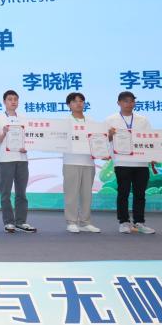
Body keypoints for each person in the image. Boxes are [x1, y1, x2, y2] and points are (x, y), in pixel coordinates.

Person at [104, 91, 155, 234]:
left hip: (141, 162)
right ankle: (124, 222)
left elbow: (150, 140)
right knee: (123, 193)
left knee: (140, 194)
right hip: (122, 162)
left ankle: (139, 222)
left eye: (132, 101)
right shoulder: (110, 120)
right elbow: (103, 140)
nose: (129, 103)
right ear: (119, 103)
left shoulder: (143, 120)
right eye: (125, 101)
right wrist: (109, 135)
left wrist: (153, 156)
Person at [0, 89, 35, 233]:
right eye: (10, 99)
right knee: (5, 193)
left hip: (22, 159)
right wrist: (4, 133)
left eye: (15, 99)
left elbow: (30, 139)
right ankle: (9, 222)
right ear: (4, 102)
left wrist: (27, 147)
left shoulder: (24, 118)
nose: (13, 102)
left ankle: (21, 222)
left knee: (21, 193)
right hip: (5, 160)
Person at [62, 92, 100, 234]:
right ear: (69, 105)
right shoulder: (65, 122)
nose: (78, 104)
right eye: (75, 101)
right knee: (71, 194)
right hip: (71, 162)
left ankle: (85, 222)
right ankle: (71, 222)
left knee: (86, 195)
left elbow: (98, 140)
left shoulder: (91, 121)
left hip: (88, 162)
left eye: (81, 101)